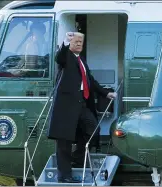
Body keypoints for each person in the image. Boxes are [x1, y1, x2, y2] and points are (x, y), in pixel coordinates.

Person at [47, 31, 117, 183]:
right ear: (70, 43)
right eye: (76, 42)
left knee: (93, 131)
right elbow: (59, 57)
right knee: (63, 142)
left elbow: (90, 81)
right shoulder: (66, 57)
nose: (79, 45)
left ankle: (77, 159)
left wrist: (106, 93)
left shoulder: (82, 60)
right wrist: (65, 43)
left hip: (81, 104)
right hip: (66, 106)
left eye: (81, 43)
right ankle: (64, 176)